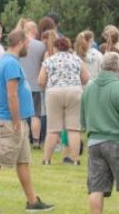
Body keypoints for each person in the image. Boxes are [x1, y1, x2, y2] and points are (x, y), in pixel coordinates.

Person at [0, 30, 55, 213]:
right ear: (20, 42)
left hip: (17, 121)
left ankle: (32, 202)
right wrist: (16, 121)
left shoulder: (8, 61)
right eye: (28, 43)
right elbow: (11, 95)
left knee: (23, 161)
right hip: (11, 121)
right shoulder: (10, 63)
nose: (29, 47)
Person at [79, 52, 119, 214]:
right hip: (117, 143)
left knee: (96, 188)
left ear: (101, 66)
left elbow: (83, 117)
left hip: (94, 143)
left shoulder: (89, 87)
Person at [38, 36, 88, 165]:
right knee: (73, 128)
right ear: (69, 47)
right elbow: (86, 78)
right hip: (74, 91)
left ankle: (47, 159)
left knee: (53, 129)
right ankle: (75, 159)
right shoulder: (76, 59)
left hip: (54, 92)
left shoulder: (49, 61)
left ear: (55, 48)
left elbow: (41, 81)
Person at [17, 20, 47, 149]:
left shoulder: (19, 44)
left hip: (20, 82)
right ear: (34, 30)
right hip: (35, 84)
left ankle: (20, 139)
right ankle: (36, 140)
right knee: (36, 114)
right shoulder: (41, 46)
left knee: (20, 113)